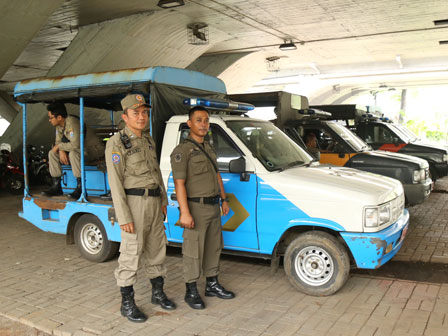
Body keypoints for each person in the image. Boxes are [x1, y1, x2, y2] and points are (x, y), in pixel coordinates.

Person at [105, 94, 175, 323]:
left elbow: (156, 173)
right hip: (134, 204)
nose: (142, 116)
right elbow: (115, 184)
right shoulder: (116, 143)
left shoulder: (148, 140)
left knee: (157, 249)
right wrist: (123, 215)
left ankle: (157, 293)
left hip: (155, 202)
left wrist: (163, 200)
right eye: (136, 113)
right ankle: (127, 304)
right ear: (125, 117)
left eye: (144, 112)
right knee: (131, 253)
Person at [170, 106, 235, 310]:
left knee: (213, 246)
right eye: (199, 120)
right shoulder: (182, 151)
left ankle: (212, 284)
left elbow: (216, 175)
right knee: (193, 251)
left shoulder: (208, 147)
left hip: (213, 206)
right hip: (195, 208)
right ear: (189, 124)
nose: (203, 124)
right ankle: (191, 291)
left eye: (206, 120)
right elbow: (179, 183)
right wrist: (184, 212)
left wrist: (224, 200)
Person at [42, 102, 104, 199]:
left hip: (94, 150)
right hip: (81, 151)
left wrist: (60, 147)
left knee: (73, 153)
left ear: (59, 117)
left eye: (51, 117)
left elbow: (76, 145)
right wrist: (61, 150)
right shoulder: (58, 127)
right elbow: (57, 144)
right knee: (52, 153)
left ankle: (80, 188)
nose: (49, 120)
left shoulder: (72, 122)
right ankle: (56, 186)